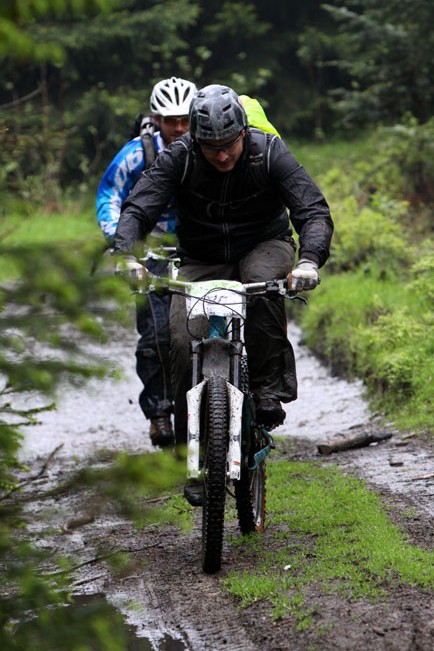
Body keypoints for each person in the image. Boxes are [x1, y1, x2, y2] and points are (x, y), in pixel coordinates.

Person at [114, 84, 334, 502]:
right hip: (200, 256)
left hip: (264, 244)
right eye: (210, 146)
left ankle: (268, 389)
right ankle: (189, 452)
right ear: (196, 139)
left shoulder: (269, 151)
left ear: (242, 134)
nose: (220, 155)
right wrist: (126, 255)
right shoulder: (179, 157)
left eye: (228, 145)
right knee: (179, 338)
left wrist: (308, 261)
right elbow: (139, 207)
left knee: (263, 287)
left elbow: (312, 210)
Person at [96, 76, 197, 448]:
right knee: (155, 336)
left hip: (196, 251)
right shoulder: (135, 155)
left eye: (185, 118)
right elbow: (110, 195)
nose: (179, 127)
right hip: (149, 253)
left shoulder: (208, 147)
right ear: (156, 118)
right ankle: (158, 411)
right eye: (171, 120)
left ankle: (212, 406)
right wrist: (117, 239)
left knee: (203, 329)